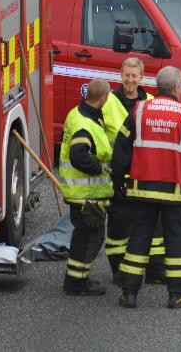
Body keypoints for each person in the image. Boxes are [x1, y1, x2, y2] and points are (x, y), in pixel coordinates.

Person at [111, 66, 181, 309]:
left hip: (141, 189)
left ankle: (129, 293)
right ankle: (178, 295)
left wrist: (118, 182)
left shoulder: (139, 110)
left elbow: (121, 151)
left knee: (139, 239)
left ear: (157, 86)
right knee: (177, 240)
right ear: (178, 87)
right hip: (176, 191)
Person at [101, 58, 166, 287]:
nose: (130, 80)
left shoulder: (150, 101)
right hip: (117, 172)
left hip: (144, 174)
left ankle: (155, 270)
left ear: (141, 77)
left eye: (134, 76)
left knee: (151, 223)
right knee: (119, 225)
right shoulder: (107, 101)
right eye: (127, 75)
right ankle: (119, 271)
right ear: (121, 74)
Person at [59, 78, 113, 296]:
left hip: (82, 194)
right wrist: (98, 167)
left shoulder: (77, 112)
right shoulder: (85, 125)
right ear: (103, 98)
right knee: (89, 238)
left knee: (89, 236)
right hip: (86, 195)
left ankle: (76, 279)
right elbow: (78, 156)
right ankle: (76, 283)